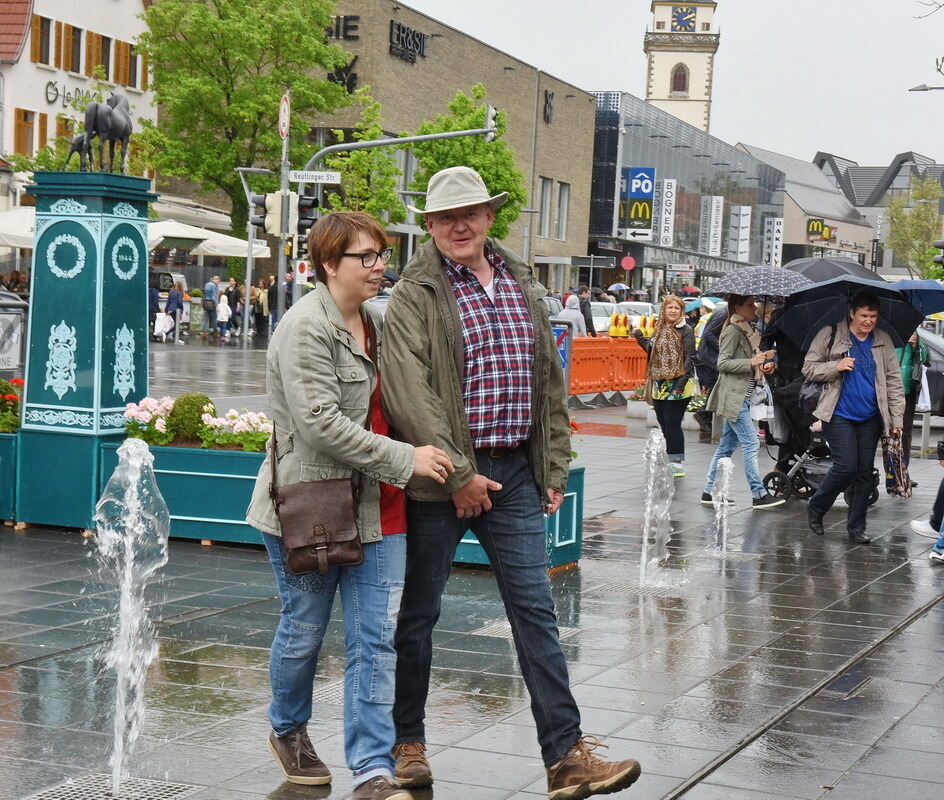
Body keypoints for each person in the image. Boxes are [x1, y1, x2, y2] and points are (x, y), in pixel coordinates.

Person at [382, 166, 641, 800]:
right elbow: (410, 394)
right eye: (445, 218)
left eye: (469, 213)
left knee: (535, 611)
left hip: (516, 474)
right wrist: (461, 476)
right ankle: (407, 742)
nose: (459, 226)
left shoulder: (523, 281)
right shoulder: (415, 292)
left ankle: (566, 757)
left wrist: (551, 467)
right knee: (420, 612)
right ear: (432, 227)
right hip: (444, 477)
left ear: (490, 216)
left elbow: (548, 381)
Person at [246, 211, 454, 800]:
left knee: (373, 640)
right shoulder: (305, 328)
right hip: (311, 506)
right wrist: (403, 459)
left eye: (382, 255)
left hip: (379, 511)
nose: (379, 266)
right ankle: (287, 728)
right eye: (366, 257)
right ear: (329, 264)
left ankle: (372, 771)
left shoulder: (379, 321)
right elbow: (318, 425)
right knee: (305, 630)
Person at [804, 292, 905, 543]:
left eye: (873, 316)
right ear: (852, 313)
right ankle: (817, 505)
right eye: (863, 316)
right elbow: (808, 367)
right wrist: (835, 366)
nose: (868, 321)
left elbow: (893, 381)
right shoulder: (830, 334)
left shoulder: (882, 339)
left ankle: (856, 527)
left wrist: (896, 421)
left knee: (864, 472)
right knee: (846, 466)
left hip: (871, 416)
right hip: (837, 413)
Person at [701, 294, 785, 510]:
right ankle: (758, 494)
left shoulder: (747, 331)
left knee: (725, 447)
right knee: (751, 443)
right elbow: (723, 363)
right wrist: (751, 361)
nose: (755, 308)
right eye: (750, 305)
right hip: (734, 397)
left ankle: (709, 492)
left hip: (743, 396)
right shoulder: (733, 331)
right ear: (737, 307)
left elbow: (748, 360)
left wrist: (762, 357)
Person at [633, 295, 695, 477]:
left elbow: (690, 357)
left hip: (680, 382)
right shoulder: (659, 329)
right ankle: (670, 455)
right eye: (670, 308)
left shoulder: (686, 330)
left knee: (673, 422)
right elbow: (651, 350)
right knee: (662, 421)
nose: (673, 311)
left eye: (677, 308)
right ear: (664, 310)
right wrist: (638, 336)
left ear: (681, 311)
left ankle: (677, 461)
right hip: (660, 383)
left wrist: (679, 385)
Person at [891, 331, 928, 488]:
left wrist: (915, 347)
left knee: (905, 433)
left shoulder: (913, 331)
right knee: (886, 434)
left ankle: (902, 474)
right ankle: (890, 476)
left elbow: (925, 359)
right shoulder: (886, 331)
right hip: (888, 391)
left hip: (908, 391)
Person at [693, 301, 728, 435]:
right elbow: (708, 334)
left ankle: (705, 416)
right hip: (709, 357)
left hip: (710, 357)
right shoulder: (723, 313)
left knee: (715, 385)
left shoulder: (725, 313)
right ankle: (703, 414)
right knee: (716, 386)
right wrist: (722, 347)